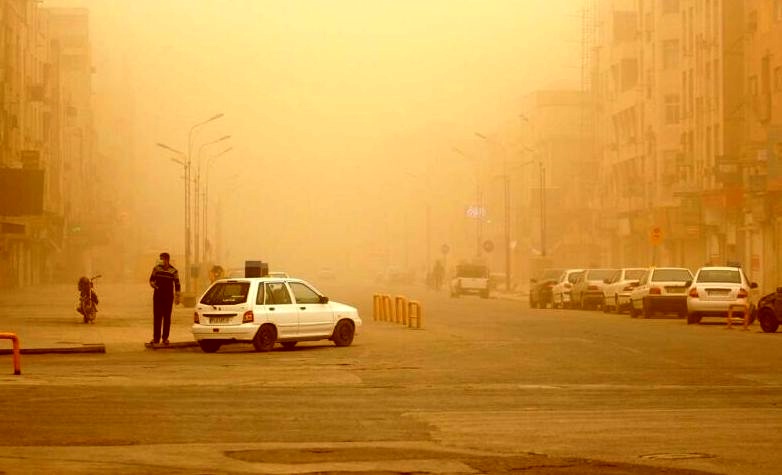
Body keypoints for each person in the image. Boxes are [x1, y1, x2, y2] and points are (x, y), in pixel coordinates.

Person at [149, 252, 181, 345]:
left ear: (167, 260)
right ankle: (156, 338)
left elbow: (177, 284)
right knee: (157, 317)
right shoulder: (156, 269)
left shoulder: (173, 271)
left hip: (168, 297)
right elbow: (151, 280)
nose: (160, 260)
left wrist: (177, 297)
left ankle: (165, 338)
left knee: (167, 318)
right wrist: (154, 285)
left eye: (162, 259)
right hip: (158, 296)